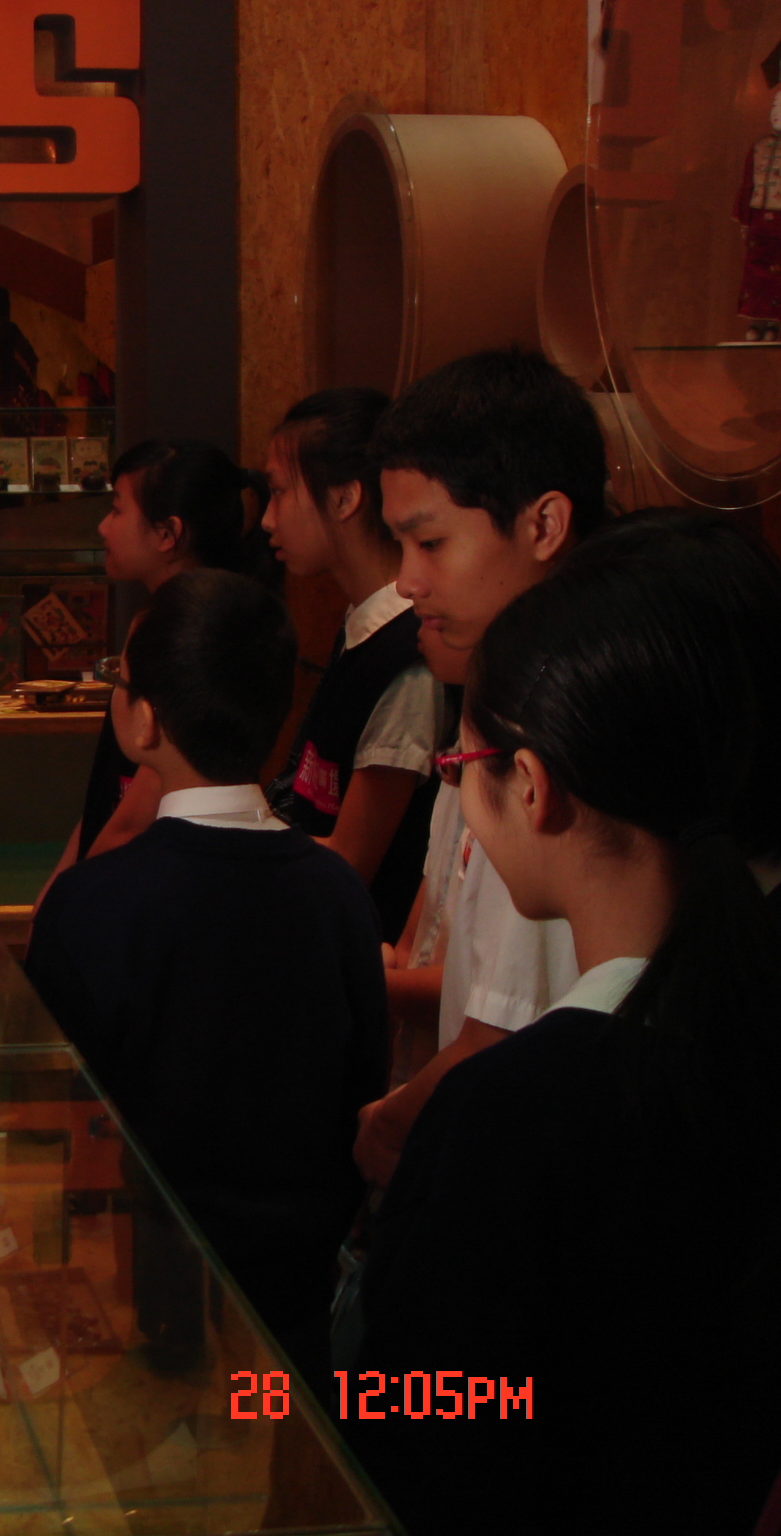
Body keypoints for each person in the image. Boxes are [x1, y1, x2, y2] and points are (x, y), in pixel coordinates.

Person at [346, 513, 781, 1536]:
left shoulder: (514, 1111)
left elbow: (433, 1414)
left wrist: (270, 1395)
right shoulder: (739, 1031)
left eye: (461, 764)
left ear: (532, 788)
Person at [26, 570, 387, 1384]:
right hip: (295, 1298)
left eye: (121, 681)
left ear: (145, 719)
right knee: (277, 1439)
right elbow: (359, 1087)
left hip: (143, 1289)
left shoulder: (93, 904)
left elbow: (59, 1116)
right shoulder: (337, 894)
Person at [352, 348, 607, 1186]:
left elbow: (505, 1029)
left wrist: (386, 1127)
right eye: (400, 544)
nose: (407, 581)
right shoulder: (483, 687)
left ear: (544, 525)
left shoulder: (559, 722)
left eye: (430, 542)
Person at [45, 439, 274, 900]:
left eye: (117, 510)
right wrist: (66, 873)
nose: (103, 526)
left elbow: (137, 815)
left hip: (152, 885)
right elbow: (111, 790)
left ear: (168, 534)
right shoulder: (153, 621)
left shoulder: (200, 639)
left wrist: (73, 898)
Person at [261, 387, 445, 938]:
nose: (267, 519)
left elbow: (351, 861)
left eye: (279, 492)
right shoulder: (361, 625)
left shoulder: (409, 654)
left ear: (344, 498)